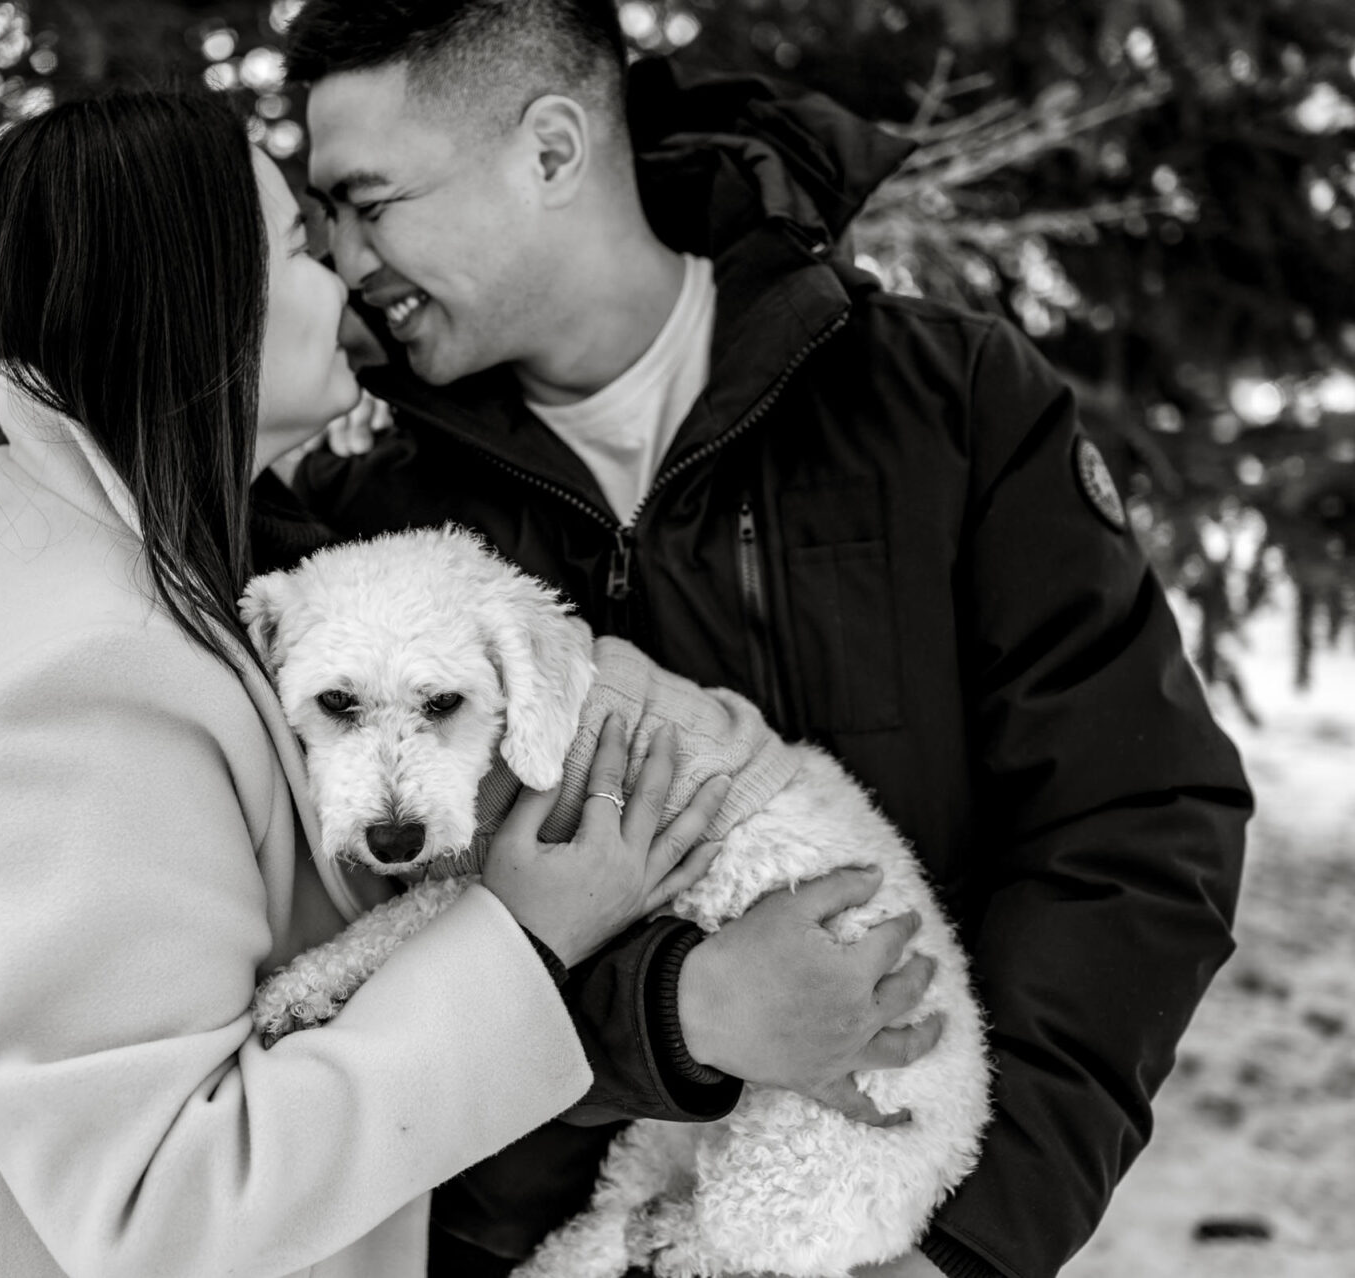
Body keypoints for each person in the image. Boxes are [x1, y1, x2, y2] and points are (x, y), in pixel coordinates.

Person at [278, 3, 1254, 1277]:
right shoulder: (375, 543)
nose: (347, 262)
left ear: (554, 150)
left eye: (370, 200)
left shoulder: (947, 409)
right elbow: (361, 974)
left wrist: (966, 1246)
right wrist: (675, 1025)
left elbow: (1136, 824)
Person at [0, 88, 736, 1278]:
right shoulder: (78, 689)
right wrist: (525, 939)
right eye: (296, 247)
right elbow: (163, 1206)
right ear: (198, 310)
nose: (345, 279)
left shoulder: (87, 559)